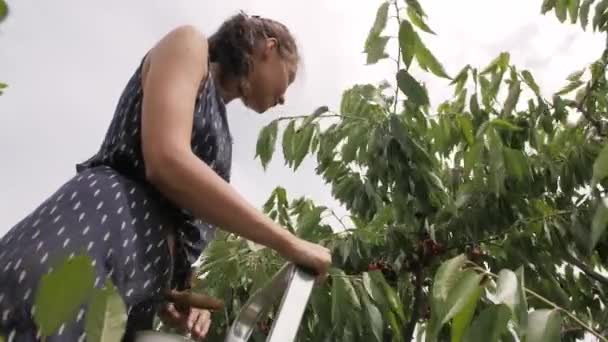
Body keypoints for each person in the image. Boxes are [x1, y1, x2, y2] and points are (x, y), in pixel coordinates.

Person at [0, 11, 332, 342]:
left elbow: (178, 215)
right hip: (94, 234)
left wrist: (180, 287)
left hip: (130, 290)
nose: (285, 97)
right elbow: (167, 161)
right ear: (268, 48)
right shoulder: (190, 46)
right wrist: (288, 243)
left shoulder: (222, 131)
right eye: (287, 79)